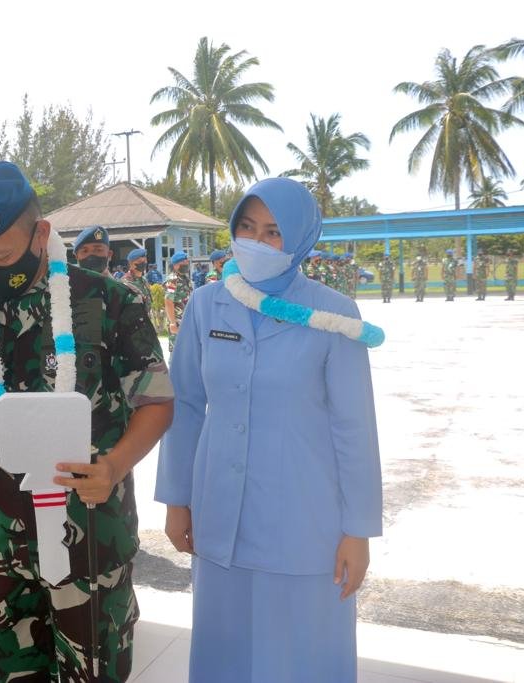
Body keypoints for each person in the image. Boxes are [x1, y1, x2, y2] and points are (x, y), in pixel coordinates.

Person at [0, 161, 174, 682]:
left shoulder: (110, 301)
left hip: (89, 534)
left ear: (41, 233)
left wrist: (114, 465)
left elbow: (156, 403)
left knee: (95, 671)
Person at [156, 177, 382, 683]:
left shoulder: (333, 314)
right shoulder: (206, 304)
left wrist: (358, 530)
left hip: (305, 523)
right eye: (247, 227)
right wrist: (177, 499)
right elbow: (187, 404)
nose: (257, 241)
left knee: (301, 656)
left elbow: (355, 427)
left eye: (274, 232)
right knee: (226, 651)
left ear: (300, 239)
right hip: (221, 515)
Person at [164, 251, 193, 352]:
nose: (186, 264)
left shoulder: (186, 278)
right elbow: (168, 301)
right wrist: (172, 323)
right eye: (183, 263)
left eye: (187, 262)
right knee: (177, 351)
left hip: (187, 320)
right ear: (176, 265)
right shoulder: (172, 280)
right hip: (177, 322)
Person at [122, 247, 154, 320]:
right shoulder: (125, 283)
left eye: (145, 261)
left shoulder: (144, 280)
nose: (144, 263)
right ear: (131, 263)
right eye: (140, 261)